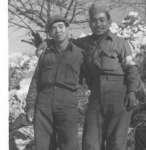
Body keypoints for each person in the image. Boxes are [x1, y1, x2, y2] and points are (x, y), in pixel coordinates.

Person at [36, 5, 140, 150]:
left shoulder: (120, 43)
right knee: (90, 141)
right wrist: (47, 41)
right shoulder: (84, 43)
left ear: (109, 22)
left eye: (102, 20)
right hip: (96, 94)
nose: (98, 24)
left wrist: (132, 91)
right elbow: (64, 40)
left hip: (118, 91)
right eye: (94, 21)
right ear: (90, 24)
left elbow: (131, 68)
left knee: (116, 141)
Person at [25, 15, 84, 150]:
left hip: (67, 102)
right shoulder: (45, 52)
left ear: (67, 28)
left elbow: (88, 79)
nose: (57, 31)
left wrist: (78, 98)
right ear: (50, 33)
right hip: (43, 102)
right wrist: (30, 105)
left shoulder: (80, 53)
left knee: (69, 144)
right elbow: (35, 81)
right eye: (53, 29)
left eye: (60, 27)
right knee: (43, 145)